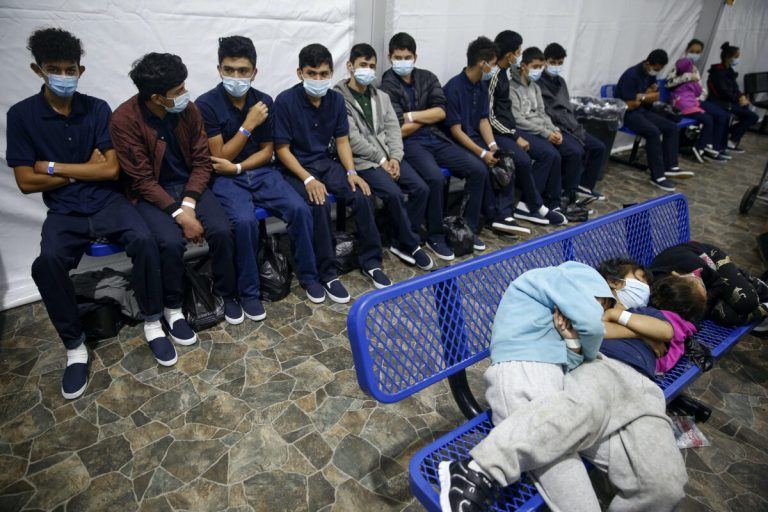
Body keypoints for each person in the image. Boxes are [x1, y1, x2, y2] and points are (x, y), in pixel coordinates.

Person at [439, 260, 693, 512]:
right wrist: (629, 331)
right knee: (575, 420)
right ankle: (479, 469)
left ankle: (479, 469)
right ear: (610, 284)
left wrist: (575, 342)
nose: (644, 285)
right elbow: (592, 328)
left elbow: (663, 332)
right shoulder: (576, 282)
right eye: (639, 278)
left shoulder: (638, 311)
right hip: (596, 371)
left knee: (666, 486)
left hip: (644, 391)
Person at [6, 28, 173, 399]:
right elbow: (25, 182)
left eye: (70, 69)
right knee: (46, 263)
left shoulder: (97, 109)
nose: (63, 76)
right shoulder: (21, 116)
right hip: (65, 210)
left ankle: (152, 321)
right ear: (37, 69)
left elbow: (110, 171)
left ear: (81, 70)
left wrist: (50, 166)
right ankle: (75, 346)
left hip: (107, 201)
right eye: (54, 69)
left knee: (145, 240)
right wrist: (83, 168)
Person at [439, 262, 614, 511]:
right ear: (593, 287)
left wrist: (573, 341)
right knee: (567, 475)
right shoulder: (557, 277)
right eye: (600, 305)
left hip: (552, 382)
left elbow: (570, 363)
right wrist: (590, 349)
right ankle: (472, 473)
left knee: (604, 450)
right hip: (521, 373)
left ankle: (473, 471)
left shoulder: (552, 309)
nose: (599, 313)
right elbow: (593, 327)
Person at [110, 52, 243, 343]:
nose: (185, 94)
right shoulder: (123, 120)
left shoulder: (189, 111)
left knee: (222, 230)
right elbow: (142, 180)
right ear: (157, 98)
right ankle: (173, 309)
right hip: (150, 193)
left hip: (190, 185)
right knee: (169, 242)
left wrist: (189, 204)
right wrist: (180, 215)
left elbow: (201, 162)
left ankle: (225, 292)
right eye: (178, 90)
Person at [195, 36, 327, 308]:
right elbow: (220, 157)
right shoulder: (206, 104)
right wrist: (248, 125)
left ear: (254, 72)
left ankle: (309, 276)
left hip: (260, 171)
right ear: (219, 69)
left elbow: (267, 152)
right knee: (244, 223)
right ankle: (249, 292)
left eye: (243, 70)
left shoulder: (264, 100)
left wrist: (240, 166)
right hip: (225, 179)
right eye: (229, 70)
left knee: (300, 210)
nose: (236, 77)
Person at [273, 43, 391, 296]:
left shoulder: (336, 100)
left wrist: (351, 172)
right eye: (312, 73)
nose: (318, 79)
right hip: (296, 168)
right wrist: (308, 179)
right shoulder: (285, 101)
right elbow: (282, 149)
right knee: (320, 203)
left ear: (331, 73)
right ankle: (327, 273)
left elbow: (342, 141)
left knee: (362, 193)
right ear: (300, 73)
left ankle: (371, 261)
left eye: (324, 74)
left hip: (326, 163)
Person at [380, 33, 504, 260]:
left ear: (415, 56)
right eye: (398, 57)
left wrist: (412, 116)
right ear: (390, 58)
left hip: (437, 138)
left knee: (478, 169)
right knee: (435, 178)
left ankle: (465, 229)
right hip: (411, 143)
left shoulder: (427, 77)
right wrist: (427, 117)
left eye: (407, 57)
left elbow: (441, 112)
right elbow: (398, 128)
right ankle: (435, 235)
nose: (403, 61)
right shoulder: (387, 84)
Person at [334, 43, 434, 270]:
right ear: (350, 66)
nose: (367, 70)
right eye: (363, 65)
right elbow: (352, 138)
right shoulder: (339, 98)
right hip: (363, 161)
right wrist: (381, 160)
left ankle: (398, 239)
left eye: (372, 66)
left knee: (421, 189)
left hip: (389, 158)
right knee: (394, 194)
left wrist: (395, 158)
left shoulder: (382, 97)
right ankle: (410, 244)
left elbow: (394, 131)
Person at [443, 36, 542, 248]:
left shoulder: (480, 86)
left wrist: (493, 147)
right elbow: (456, 131)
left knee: (505, 159)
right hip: (457, 142)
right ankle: (471, 228)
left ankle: (502, 216)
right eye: (493, 63)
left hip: (476, 138)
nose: (494, 68)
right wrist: (482, 153)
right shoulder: (453, 88)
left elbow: (483, 120)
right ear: (483, 63)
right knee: (480, 168)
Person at [487, 31, 572, 226]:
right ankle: (526, 207)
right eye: (518, 52)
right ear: (510, 55)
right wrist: (515, 136)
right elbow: (491, 117)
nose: (520, 56)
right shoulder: (495, 77)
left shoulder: (506, 74)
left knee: (549, 154)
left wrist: (551, 129)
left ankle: (540, 204)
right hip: (500, 132)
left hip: (508, 130)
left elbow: (534, 112)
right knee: (525, 159)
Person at [507, 46, 572, 225]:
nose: (538, 70)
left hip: (538, 128)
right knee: (548, 154)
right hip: (521, 130)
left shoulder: (535, 87)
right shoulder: (512, 87)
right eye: (535, 66)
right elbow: (517, 120)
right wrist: (545, 132)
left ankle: (552, 201)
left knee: (557, 154)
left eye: (540, 67)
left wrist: (554, 129)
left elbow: (542, 113)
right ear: (524, 66)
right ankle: (526, 204)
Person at [615, 49, 693, 191]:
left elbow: (656, 95)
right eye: (656, 69)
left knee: (671, 127)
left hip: (643, 111)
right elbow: (630, 104)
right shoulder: (631, 76)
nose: (657, 72)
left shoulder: (649, 74)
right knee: (653, 132)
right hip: (627, 114)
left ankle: (671, 166)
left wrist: (642, 96)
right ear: (648, 63)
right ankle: (657, 176)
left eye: (660, 69)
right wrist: (646, 96)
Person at [539, 43, 608, 202]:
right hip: (555, 126)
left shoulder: (561, 82)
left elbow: (567, 106)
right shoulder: (538, 83)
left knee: (599, 147)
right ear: (545, 62)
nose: (556, 66)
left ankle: (585, 186)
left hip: (571, 125)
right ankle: (568, 192)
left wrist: (573, 123)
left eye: (560, 63)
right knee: (575, 151)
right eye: (553, 62)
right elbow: (546, 112)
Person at [650, 241, 768, 329]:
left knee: (747, 302)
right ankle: (764, 307)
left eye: (702, 286)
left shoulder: (697, 267)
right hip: (699, 293)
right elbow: (692, 319)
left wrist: (707, 297)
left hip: (712, 262)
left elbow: (718, 283)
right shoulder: (665, 297)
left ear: (676, 275)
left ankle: (751, 281)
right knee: (727, 317)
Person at [665, 39, 731, 162]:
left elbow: (699, 88)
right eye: (692, 51)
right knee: (709, 118)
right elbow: (669, 83)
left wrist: (699, 96)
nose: (694, 54)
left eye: (697, 52)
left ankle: (715, 148)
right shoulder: (679, 65)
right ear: (687, 50)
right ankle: (704, 147)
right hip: (684, 101)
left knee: (722, 115)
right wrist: (686, 77)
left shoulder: (694, 68)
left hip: (696, 100)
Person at [707, 42, 759, 153]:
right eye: (736, 57)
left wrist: (742, 97)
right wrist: (737, 99)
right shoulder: (718, 73)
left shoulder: (729, 71)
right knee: (752, 116)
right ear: (728, 57)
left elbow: (735, 88)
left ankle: (728, 135)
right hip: (721, 102)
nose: (737, 59)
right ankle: (731, 140)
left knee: (751, 115)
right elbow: (723, 92)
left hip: (731, 101)